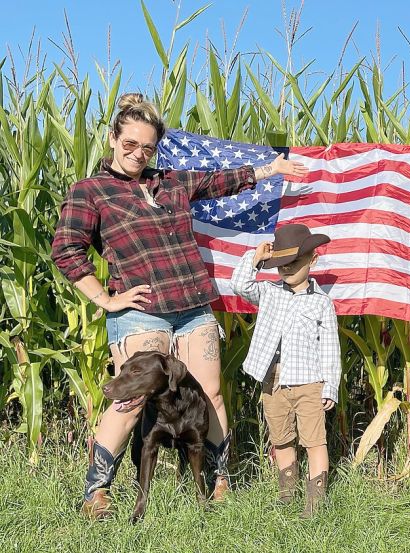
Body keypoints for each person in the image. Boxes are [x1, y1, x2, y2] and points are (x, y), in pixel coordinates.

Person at [51, 92, 309, 519]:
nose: (138, 154)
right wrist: (105, 298)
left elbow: (221, 180)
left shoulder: (170, 181)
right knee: (130, 402)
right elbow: (66, 250)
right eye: (129, 144)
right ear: (113, 138)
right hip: (140, 311)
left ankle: (218, 481)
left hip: (192, 306)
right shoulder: (91, 191)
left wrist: (271, 168)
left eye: (147, 147)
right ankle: (96, 493)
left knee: (210, 395)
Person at [230, 223, 341, 518]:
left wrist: (330, 386)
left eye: (294, 264)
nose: (286, 270)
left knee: (314, 441)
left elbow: (330, 349)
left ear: (312, 260)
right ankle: (286, 495)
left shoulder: (321, 303)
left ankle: (315, 504)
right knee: (281, 439)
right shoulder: (269, 293)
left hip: (309, 384)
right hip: (273, 381)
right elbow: (240, 285)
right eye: (281, 265)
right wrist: (255, 258)